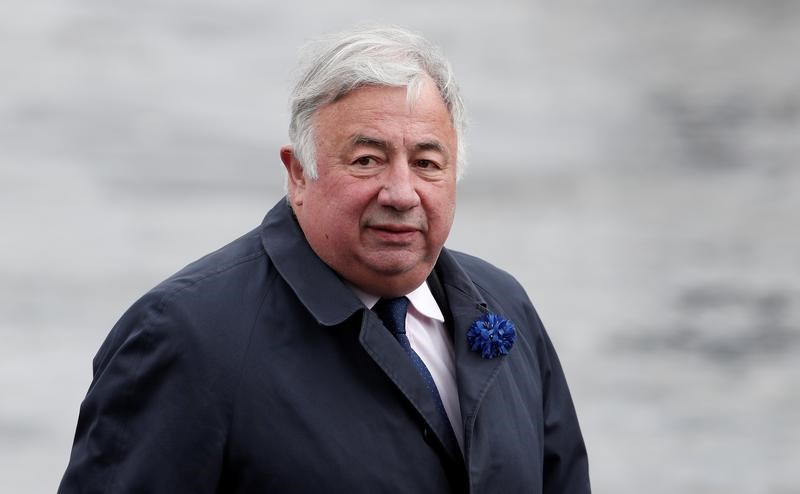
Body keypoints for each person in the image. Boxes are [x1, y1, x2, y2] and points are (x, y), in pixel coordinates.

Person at [58, 25, 590, 493]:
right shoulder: (187, 335)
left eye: (427, 163)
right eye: (367, 160)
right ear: (297, 175)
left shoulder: (503, 305)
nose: (401, 193)